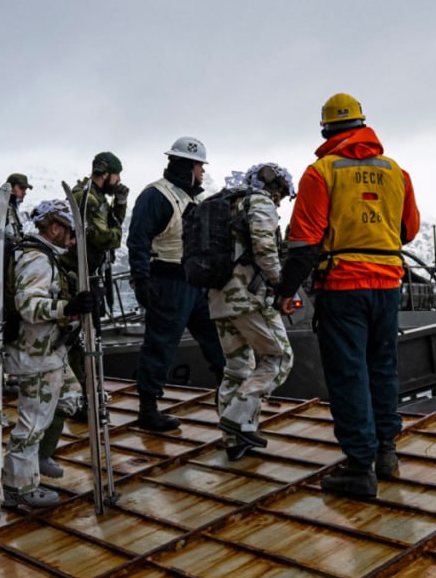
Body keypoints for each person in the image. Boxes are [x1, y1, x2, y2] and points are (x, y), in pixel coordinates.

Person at [275, 93, 420, 498]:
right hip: (388, 285)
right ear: (362, 124)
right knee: (383, 368)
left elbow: (304, 242)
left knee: (348, 373)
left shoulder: (321, 172)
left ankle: (359, 468)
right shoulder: (397, 172)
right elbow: (408, 230)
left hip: (342, 287)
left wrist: (286, 290)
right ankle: (386, 454)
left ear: (326, 130)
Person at [126, 138, 226, 432]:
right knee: (160, 345)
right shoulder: (156, 196)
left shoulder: (196, 198)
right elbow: (138, 240)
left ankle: (230, 399)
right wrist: (141, 279)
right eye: (199, 166)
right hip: (168, 282)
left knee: (218, 341)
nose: (203, 172)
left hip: (197, 283)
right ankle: (147, 409)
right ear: (188, 166)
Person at [3, 199, 96, 506]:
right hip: (35, 354)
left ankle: (39, 457)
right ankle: (18, 487)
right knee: (32, 423)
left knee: (69, 397)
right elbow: (29, 306)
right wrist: (67, 308)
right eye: (70, 233)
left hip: (49, 351)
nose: (72, 241)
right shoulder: (36, 259)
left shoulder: (43, 255)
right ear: (54, 228)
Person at [49, 152, 129, 474]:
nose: (118, 182)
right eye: (116, 176)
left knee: (85, 337)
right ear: (104, 173)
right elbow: (105, 237)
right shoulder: (88, 199)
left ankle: (84, 395)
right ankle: (80, 399)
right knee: (78, 339)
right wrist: (116, 228)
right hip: (76, 277)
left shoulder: (96, 197)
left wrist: (119, 208)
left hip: (87, 274)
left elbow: (110, 232)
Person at [211, 163, 296, 459]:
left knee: (236, 368)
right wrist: (280, 282)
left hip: (218, 298)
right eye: (281, 195)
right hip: (247, 297)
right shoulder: (259, 202)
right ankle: (237, 417)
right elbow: (264, 248)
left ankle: (235, 441)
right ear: (275, 188)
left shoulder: (227, 205)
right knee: (279, 357)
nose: (279, 202)